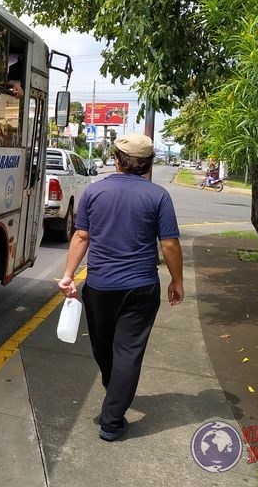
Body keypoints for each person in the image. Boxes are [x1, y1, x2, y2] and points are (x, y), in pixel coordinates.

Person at [58, 133, 184, 442]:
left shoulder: (94, 192)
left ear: (116, 159)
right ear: (148, 164)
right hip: (141, 286)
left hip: (100, 286)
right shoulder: (158, 196)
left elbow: (81, 237)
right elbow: (168, 243)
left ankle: (112, 417)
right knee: (126, 351)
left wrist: (68, 274)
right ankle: (115, 402)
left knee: (105, 348)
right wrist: (176, 280)